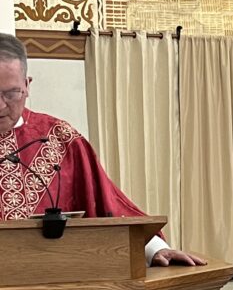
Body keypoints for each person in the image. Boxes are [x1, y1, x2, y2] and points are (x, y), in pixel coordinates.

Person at [0, 33, 204, 267]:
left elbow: (106, 203)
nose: (0, 105)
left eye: (11, 93)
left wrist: (153, 248)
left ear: (27, 86)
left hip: (52, 281)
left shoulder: (61, 139)